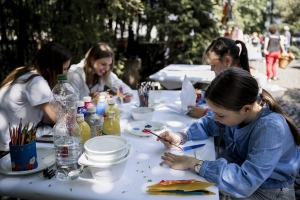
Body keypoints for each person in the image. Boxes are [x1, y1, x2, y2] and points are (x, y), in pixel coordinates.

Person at [158, 67, 300, 199]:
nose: (215, 118)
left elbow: (245, 181)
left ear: (246, 109)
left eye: (220, 115)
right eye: (213, 112)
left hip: (269, 192)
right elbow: (208, 123)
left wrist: (194, 163)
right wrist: (181, 136)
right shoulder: (237, 113)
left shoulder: (270, 129)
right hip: (245, 179)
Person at [0, 42, 71, 152]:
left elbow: (46, 117)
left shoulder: (23, 72)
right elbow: (58, 118)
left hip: (7, 139)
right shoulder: (37, 83)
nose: (66, 73)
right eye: (65, 69)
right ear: (50, 67)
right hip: (12, 145)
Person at [188, 37, 250, 118]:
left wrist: (205, 113)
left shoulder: (239, 82)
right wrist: (198, 97)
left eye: (213, 65)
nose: (211, 69)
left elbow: (233, 114)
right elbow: (215, 94)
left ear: (227, 60)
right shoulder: (227, 77)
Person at [67, 42, 134, 104]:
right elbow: (71, 106)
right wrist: (91, 100)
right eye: (103, 64)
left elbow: (121, 87)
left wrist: (126, 94)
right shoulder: (75, 76)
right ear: (92, 60)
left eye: (109, 64)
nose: (107, 69)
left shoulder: (104, 72)